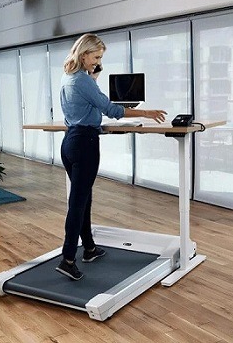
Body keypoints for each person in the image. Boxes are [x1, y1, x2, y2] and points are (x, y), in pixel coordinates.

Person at [56, 33, 167, 280]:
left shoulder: (69, 78)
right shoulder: (83, 82)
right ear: (83, 54)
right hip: (85, 143)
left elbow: (84, 103)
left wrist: (93, 78)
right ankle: (68, 259)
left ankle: (90, 249)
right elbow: (110, 109)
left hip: (70, 142)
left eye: (100, 58)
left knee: (82, 199)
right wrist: (146, 112)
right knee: (77, 203)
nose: (97, 62)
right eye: (95, 57)